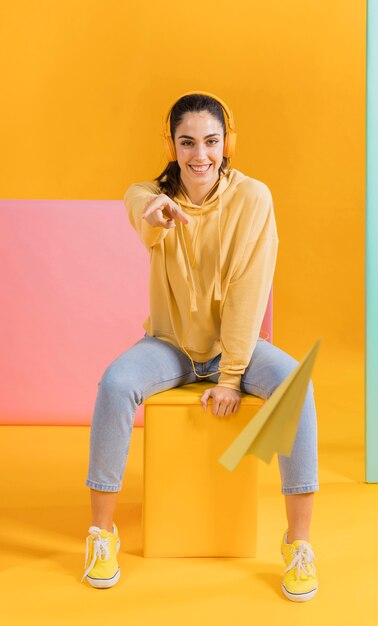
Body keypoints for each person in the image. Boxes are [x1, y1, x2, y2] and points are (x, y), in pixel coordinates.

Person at [81, 91, 319, 602]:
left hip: (237, 348)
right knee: (116, 383)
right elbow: (133, 197)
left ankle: (298, 543)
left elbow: (246, 290)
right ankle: (102, 534)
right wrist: (151, 209)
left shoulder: (254, 198)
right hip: (169, 346)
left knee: (296, 384)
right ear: (170, 145)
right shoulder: (156, 199)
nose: (200, 155)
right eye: (187, 142)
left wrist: (232, 376)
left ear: (227, 143)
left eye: (211, 142)